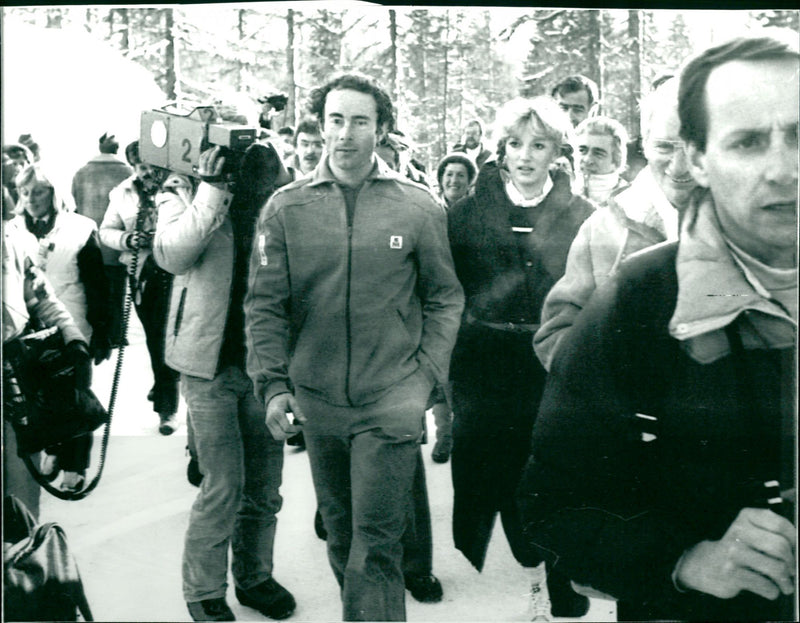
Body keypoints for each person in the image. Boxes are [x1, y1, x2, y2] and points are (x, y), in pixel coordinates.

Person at [519, 31, 798, 621]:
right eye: (747, 142)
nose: (784, 169)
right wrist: (688, 560)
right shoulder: (639, 299)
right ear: (695, 159)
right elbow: (553, 507)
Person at [244, 72, 464, 621]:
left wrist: (423, 380)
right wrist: (273, 386)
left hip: (391, 398)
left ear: (381, 129)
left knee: (377, 541)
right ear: (321, 125)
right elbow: (264, 307)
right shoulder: (284, 209)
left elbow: (444, 299)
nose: (345, 134)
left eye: (360, 121)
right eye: (335, 120)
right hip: (317, 402)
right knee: (342, 536)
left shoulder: (416, 206)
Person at [447, 96, 595, 620]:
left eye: (538, 144)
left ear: (557, 151)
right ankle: (533, 575)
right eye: (515, 144)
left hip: (556, 362)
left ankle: (562, 573)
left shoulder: (584, 216)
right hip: (486, 364)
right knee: (504, 477)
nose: (525, 155)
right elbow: (449, 291)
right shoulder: (466, 214)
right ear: (501, 150)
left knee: (556, 470)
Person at [154, 136, 295, 621]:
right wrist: (211, 189)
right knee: (224, 483)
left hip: (263, 364)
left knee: (264, 486)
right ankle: (203, 588)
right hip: (207, 362)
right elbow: (171, 254)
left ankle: (255, 577)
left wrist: (273, 179)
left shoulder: (274, 183)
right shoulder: (181, 187)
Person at [535, 77, 699, 371]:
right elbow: (555, 336)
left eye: (692, 147)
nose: (679, 165)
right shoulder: (604, 227)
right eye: (664, 147)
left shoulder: (742, 225)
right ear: (645, 145)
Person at [8, 163, 110, 492]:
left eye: (38, 191)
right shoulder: (12, 230)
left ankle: (75, 464)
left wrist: (102, 332)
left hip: (72, 322)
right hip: (27, 336)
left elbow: (98, 286)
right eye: (25, 193)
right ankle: (54, 449)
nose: (32, 198)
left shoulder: (80, 228)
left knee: (75, 397)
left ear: (54, 192)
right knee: (42, 398)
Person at [3, 185, 92, 517]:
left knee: (22, 489)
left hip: (15, 380)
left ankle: (23, 557)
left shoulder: (12, 243)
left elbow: (40, 295)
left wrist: (72, 335)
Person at [100, 141, 180, 435]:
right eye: (141, 168)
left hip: (177, 271)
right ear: (133, 168)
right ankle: (165, 396)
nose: (148, 173)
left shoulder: (176, 187)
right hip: (143, 275)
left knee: (173, 339)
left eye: (152, 166)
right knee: (156, 339)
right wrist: (127, 240)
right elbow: (106, 230)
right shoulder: (121, 193)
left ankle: (166, 398)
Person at [427, 152, 477, 465]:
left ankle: (462, 432)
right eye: (449, 175)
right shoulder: (431, 211)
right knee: (439, 376)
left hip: (468, 306)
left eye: (460, 175)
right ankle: (444, 435)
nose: (453, 181)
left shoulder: (475, 214)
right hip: (437, 305)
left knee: (460, 376)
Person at [72, 133, 133, 348]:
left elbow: (76, 205)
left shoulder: (82, 172)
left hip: (87, 242)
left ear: (99, 146)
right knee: (117, 291)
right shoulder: (127, 172)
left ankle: (99, 334)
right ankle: (117, 334)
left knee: (94, 292)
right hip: (116, 245)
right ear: (117, 149)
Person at [574, 115, 629, 206]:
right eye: (582, 150)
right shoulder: (564, 192)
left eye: (598, 154)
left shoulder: (629, 198)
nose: (587, 159)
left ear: (615, 161)